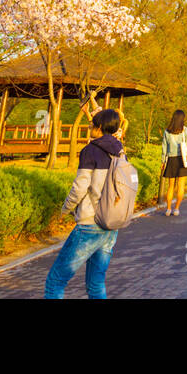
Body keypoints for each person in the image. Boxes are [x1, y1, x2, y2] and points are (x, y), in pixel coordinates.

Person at [44, 108, 130, 299]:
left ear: (99, 128)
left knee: (55, 281)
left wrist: (64, 209)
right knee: (96, 283)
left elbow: (79, 188)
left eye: (92, 125)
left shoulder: (90, 151)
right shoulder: (121, 153)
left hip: (90, 223)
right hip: (111, 224)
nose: (89, 127)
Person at [161, 109, 187, 216]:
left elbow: (164, 148)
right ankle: (176, 209)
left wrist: (163, 161)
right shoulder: (185, 130)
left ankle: (168, 209)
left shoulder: (167, 131)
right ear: (182, 119)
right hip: (183, 160)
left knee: (170, 186)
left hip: (171, 160)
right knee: (181, 186)